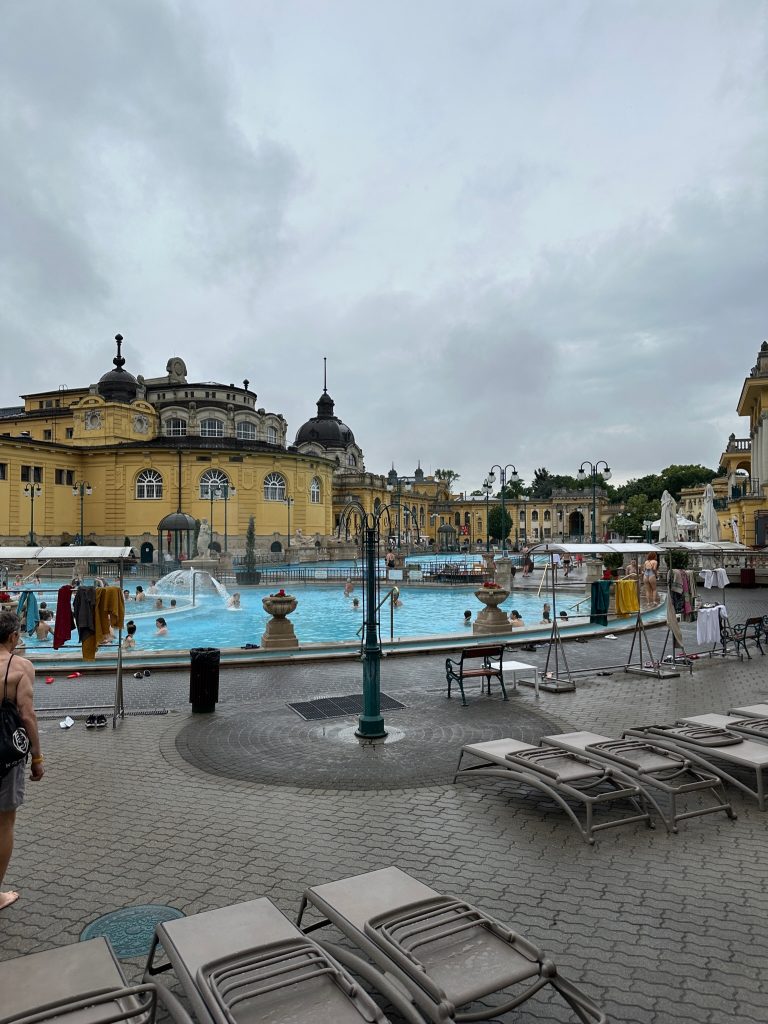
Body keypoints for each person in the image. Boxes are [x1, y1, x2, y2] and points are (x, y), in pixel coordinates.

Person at [0, 610, 45, 911]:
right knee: (4, 823)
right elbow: (27, 715)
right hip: (4, 754)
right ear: (14, 636)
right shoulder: (19, 667)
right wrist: (38, 757)